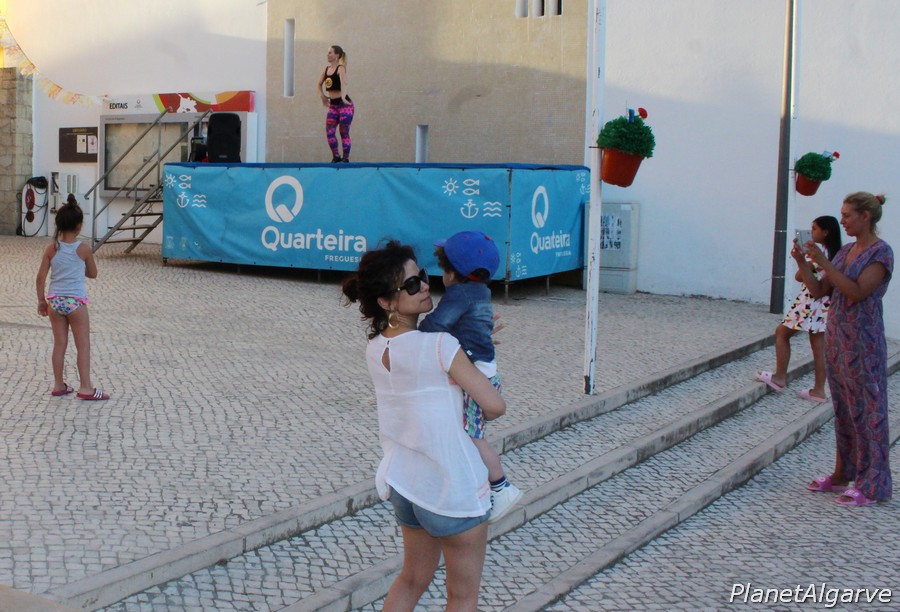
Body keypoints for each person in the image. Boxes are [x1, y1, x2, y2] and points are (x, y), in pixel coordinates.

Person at [342, 240, 505, 611]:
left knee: (412, 579)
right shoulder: (442, 346)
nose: (426, 286)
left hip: (406, 484)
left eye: (425, 277)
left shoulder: (375, 349)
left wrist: (465, 347)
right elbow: (494, 406)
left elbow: (419, 365)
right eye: (412, 284)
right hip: (453, 485)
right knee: (462, 597)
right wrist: (470, 353)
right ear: (387, 301)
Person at [419, 230, 523, 523]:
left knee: (473, 437)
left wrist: (413, 335)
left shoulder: (459, 295)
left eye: (442, 270)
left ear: (451, 273)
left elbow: (436, 325)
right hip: (484, 370)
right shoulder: (480, 292)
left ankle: (501, 487)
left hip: (477, 374)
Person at [795, 192, 892, 506]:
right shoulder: (846, 251)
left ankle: (872, 484)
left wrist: (824, 262)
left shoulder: (881, 252)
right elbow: (819, 290)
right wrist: (802, 262)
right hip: (838, 340)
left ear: (866, 216)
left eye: (848, 215)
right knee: (844, 412)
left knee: (869, 412)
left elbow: (857, 292)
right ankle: (841, 474)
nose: (843, 221)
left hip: (864, 343)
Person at [755, 216, 842, 401]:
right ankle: (818, 390)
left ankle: (780, 376)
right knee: (818, 346)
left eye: (814, 229)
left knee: (782, 333)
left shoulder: (821, 256)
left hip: (810, 303)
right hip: (824, 305)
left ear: (825, 232)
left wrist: (803, 260)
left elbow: (802, 278)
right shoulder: (834, 255)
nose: (811, 233)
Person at [35, 194, 110, 401]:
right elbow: (93, 273)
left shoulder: (51, 249)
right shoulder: (83, 248)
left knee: (59, 345)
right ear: (79, 225)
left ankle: (59, 385)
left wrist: (41, 301)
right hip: (76, 303)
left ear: (59, 225)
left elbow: (40, 278)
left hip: (55, 302)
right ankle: (86, 388)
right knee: (83, 345)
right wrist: (78, 269)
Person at [316, 44, 355, 163]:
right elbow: (319, 84)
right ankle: (336, 156)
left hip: (345, 105)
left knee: (344, 132)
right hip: (333, 106)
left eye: (330, 53)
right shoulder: (326, 70)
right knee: (330, 132)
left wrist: (343, 96)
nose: (327, 55)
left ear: (337, 55)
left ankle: (345, 158)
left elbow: (344, 83)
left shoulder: (340, 68)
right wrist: (322, 96)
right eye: (328, 53)